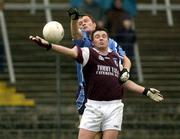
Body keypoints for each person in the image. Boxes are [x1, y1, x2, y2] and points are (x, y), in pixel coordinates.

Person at [29, 28, 164, 139]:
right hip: (93, 106)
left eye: (104, 36)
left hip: (114, 107)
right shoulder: (88, 53)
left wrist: (145, 91)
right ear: (92, 42)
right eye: (97, 36)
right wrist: (49, 45)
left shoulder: (116, 57)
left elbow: (123, 82)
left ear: (108, 40)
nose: (101, 38)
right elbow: (69, 52)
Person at [66, 8, 131, 119]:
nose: (82, 24)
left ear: (94, 24)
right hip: (86, 92)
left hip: (108, 91)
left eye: (86, 21)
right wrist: (74, 19)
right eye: (80, 23)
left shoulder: (110, 42)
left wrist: (126, 71)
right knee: (89, 133)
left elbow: (126, 60)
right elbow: (75, 33)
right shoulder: (82, 41)